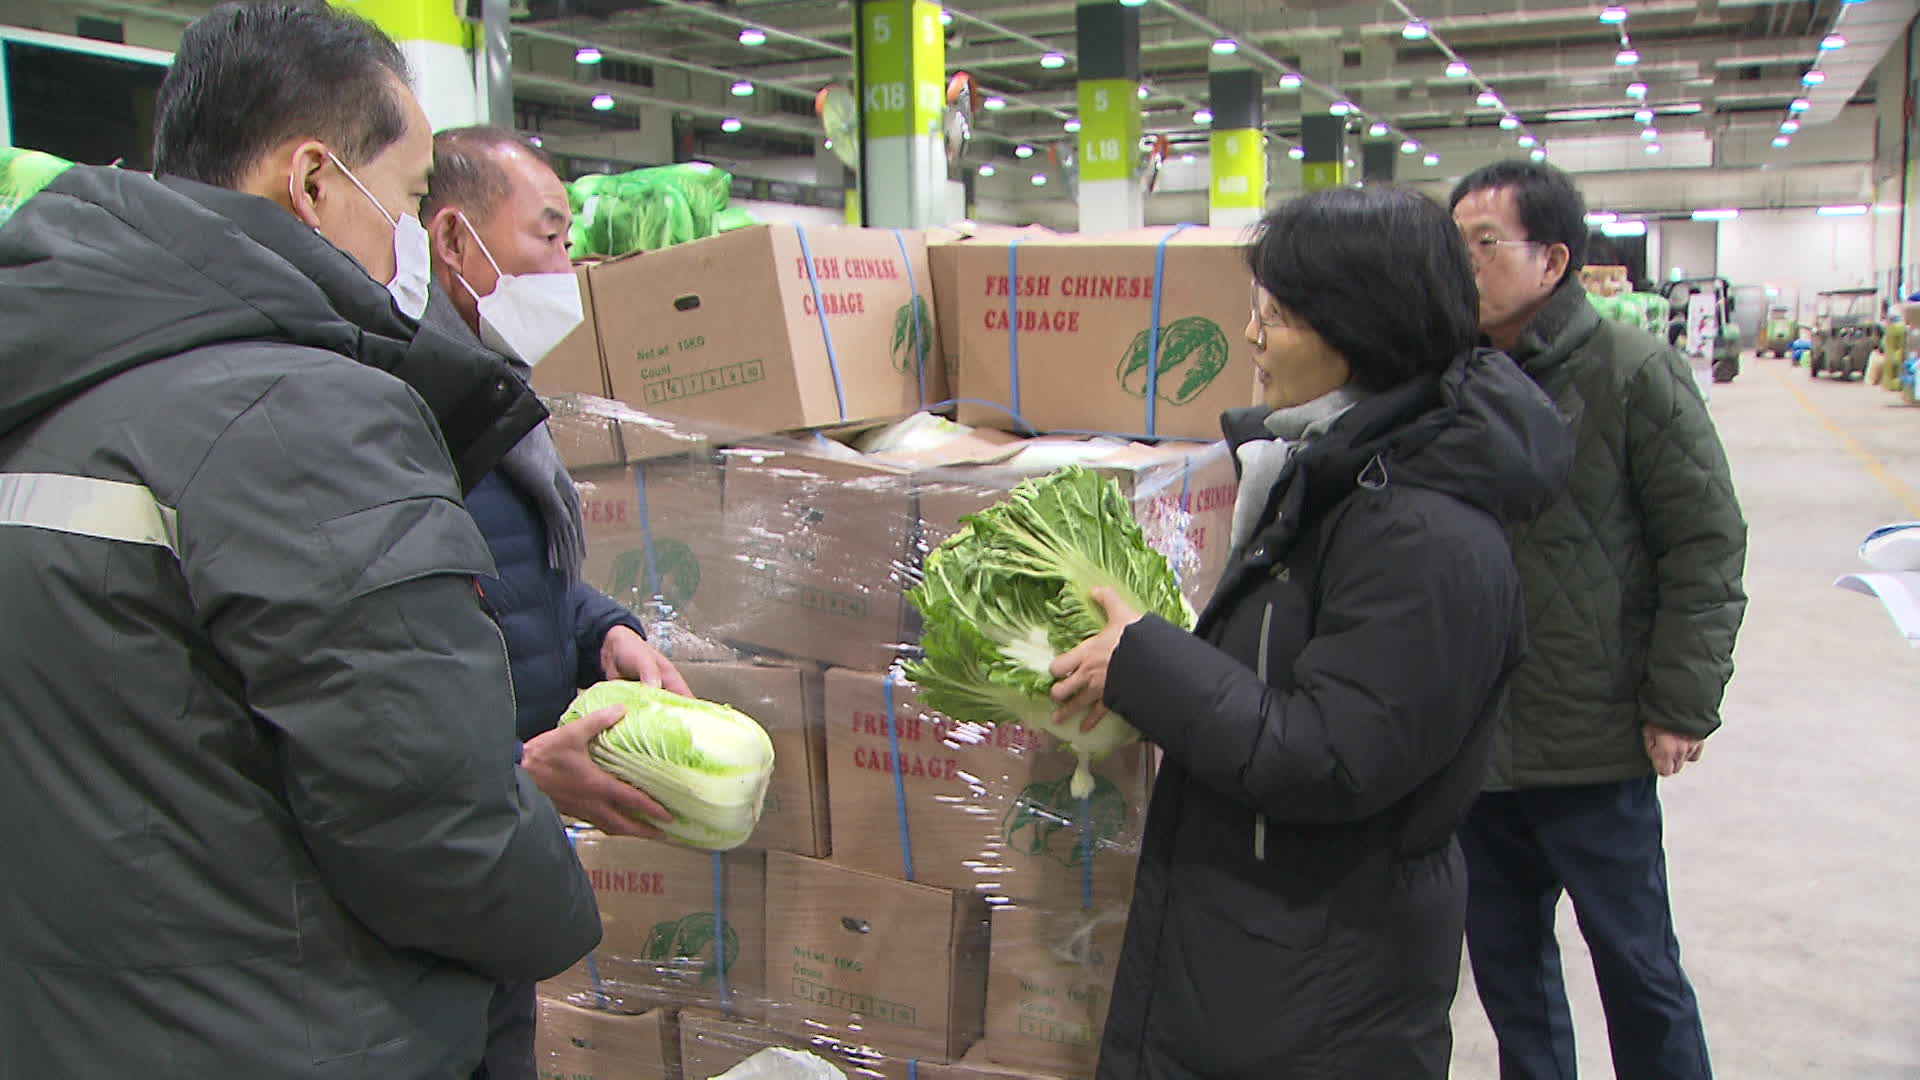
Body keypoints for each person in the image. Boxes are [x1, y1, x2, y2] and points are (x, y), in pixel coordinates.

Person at [0, 3, 603, 1076]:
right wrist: (560, 910)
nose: (412, 242)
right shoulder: (300, 413)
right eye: (412, 199)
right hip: (299, 1029)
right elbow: (431, 823)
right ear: (317, 180)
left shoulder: (52, 379)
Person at [1048, 185, 1574, 1078]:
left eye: (1279, 316)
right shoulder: (1332, 477)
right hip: (1264, 947)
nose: (1252, 338)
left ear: (1359, 330)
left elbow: (1330, 756)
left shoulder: (1426, 535)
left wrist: (1149, 662)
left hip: (1324, 978)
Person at [1448, 160, 1747, 1080]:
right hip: (1479, 744)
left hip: (1596, 740)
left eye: (1484, 245)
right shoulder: (1451, 378)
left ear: (1554, 259)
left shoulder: (1633, 372)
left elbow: (1705, 544)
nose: (1464, 266)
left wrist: (1681, 702)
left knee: (1637, 966)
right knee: (1510, 975)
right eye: (1451, 246)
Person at [418, 125, 692, 1080]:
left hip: (495, 851)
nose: (567, 265)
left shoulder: (488, 400)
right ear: (457, 243)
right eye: (548, 236)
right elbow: (380, 680)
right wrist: (516, 774)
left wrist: (602, 630)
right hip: (443, 858)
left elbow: (515, 582)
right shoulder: (408, 417)